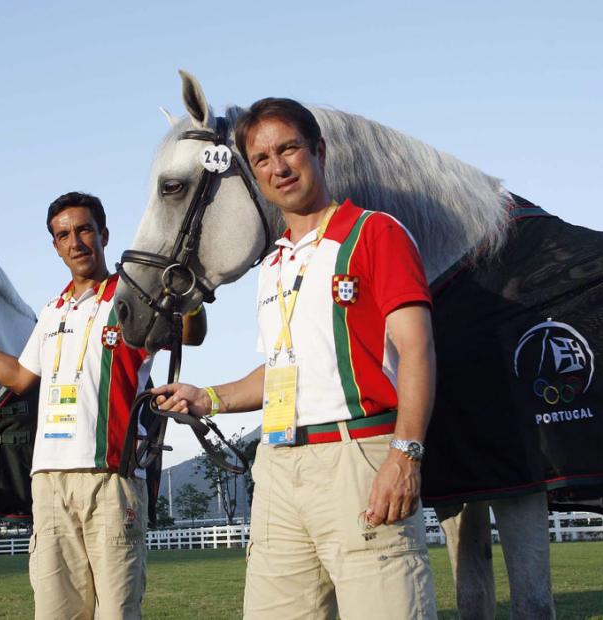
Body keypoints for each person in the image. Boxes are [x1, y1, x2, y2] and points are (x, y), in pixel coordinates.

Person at [151, 98, 438, 619]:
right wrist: (207, 398)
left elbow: (418, 349)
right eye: (261, 158)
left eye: (289, 149)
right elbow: (281, 371)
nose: (278, 167)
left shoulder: (376, 233)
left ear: (319, 151)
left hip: (359, 455)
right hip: (279, 468)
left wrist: (406, 454)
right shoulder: (273, 263)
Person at [0, 191, 205, 619]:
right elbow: (18, 378)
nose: (76, 242)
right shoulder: (51, 311)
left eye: (84, 230)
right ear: (55, 245)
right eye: (64, 234)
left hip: (111, 478)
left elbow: (190, 335)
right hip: (49, 482)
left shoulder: (133, 301)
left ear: (104, 234)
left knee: (116, 611)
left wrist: (185, 286)